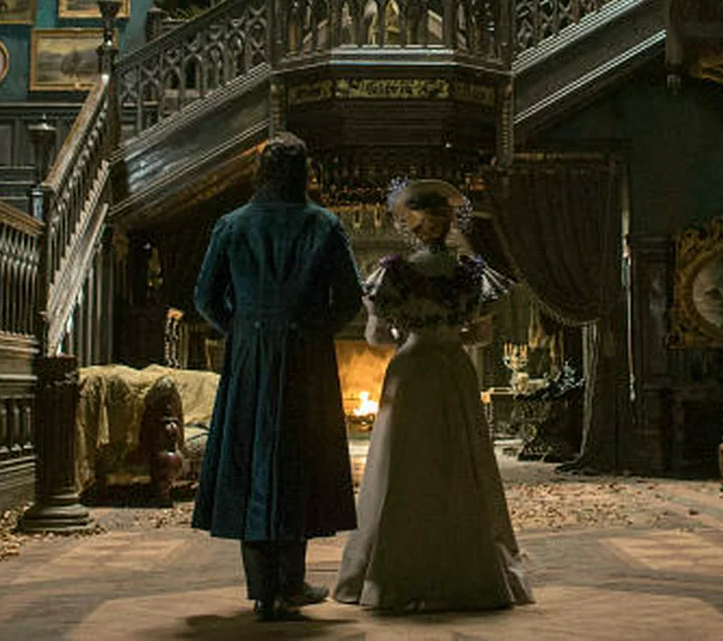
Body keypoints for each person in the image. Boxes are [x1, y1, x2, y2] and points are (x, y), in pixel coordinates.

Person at [334, 179, 535, 612]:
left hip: (411, 371)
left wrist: (407, 332)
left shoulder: (394, 273)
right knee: (461, 463)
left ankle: (390, 572)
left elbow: (376, 338)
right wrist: (450, 331)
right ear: (448, 225)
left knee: (403, 466)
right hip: (453, 371)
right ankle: (470, 569)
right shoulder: (471, 273)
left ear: (413, 226)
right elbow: (481, 335)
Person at [192, 132, 363, 622]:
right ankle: (290, 583)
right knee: (299, 461)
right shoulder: (323, 224)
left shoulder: (232, 224)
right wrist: (314, 329)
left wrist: (242, 328)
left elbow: (205, 297)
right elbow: (349, 299)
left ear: (261, 172)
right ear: (303, 173)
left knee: (249, 460)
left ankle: (262, 590)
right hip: (305, 356)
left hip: (249, 355)